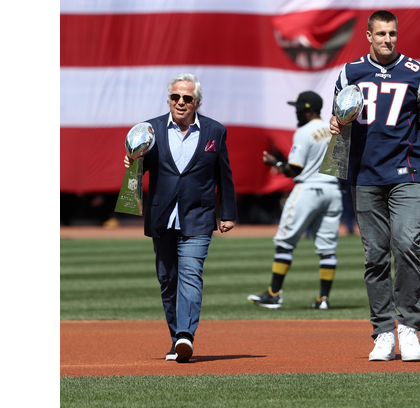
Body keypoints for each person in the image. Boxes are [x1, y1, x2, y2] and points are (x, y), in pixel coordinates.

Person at [329, 10, 420, 362]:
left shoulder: (418, 73)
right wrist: (336, 125)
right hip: (365, 175)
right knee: (375, 256)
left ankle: (409, 328)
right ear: (368, 36)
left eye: (392, 34)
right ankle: (383, 331)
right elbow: (340, 120)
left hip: (408, 174)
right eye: (381, 34)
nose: (387, 40)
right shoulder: (350, 72)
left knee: (406, 244)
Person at [123, 73, 237, 363]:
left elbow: (224, 175)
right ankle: (177, 339)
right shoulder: (150, 129)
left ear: (197, 101)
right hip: (161, 215)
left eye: (187, 98)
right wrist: (131, 163)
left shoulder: (215, 131)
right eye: (176, 97)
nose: (181, 102)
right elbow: (140, 168)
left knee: (190, 274)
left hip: (198, 215)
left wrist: (227, 213)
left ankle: (186, 334)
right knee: (167, 280)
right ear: (169, 99)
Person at [247, 91, 342, 311]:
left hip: (308, 189)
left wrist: (275, 163)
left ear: (308, 110)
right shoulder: (334, 129)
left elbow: (293, 169)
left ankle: (274, 294)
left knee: (284, 242)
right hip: (332, 190)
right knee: (327, 249)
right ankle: (323, 299)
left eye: (299, 108)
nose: (296, 112)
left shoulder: (304, 132)